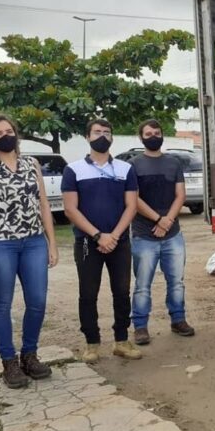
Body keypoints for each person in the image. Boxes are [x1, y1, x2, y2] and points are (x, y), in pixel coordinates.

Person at [0, 114, 58, 389]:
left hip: (33, 242)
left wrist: (51, 242)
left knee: (38, 301)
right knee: (2, 304)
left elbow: (43, 204)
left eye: (9, 131)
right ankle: (9, 362)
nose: (6, 136)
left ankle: (29, 355)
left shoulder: (32, 165)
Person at [62, 118, 142, 362]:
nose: (102, 136)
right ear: (87, 136)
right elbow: (70, 209)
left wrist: (114, 236)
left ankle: (121, 341)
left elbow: (131, 206)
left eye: (107, 132)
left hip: (119, 242)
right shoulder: (74, 170)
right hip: (88, 243)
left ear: (112, 138)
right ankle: (92, 344)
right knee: (88, 294)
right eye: (97, 132)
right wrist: (98, 235)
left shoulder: (125, 169)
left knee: (121, 292)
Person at [129, 119, 196, 345]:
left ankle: (178, 320)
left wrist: (167, 221)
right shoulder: (134, 165)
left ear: (162, 135)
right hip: (143, 235)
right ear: (141, 138)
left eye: (157, 132)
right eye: (148, 133)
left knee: (176, 281)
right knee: (142, 284)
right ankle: (140, 326)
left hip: (172, 234)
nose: (153, 136)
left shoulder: (173, 163)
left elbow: (180, 195)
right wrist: (158, 219)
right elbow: (133, 199)